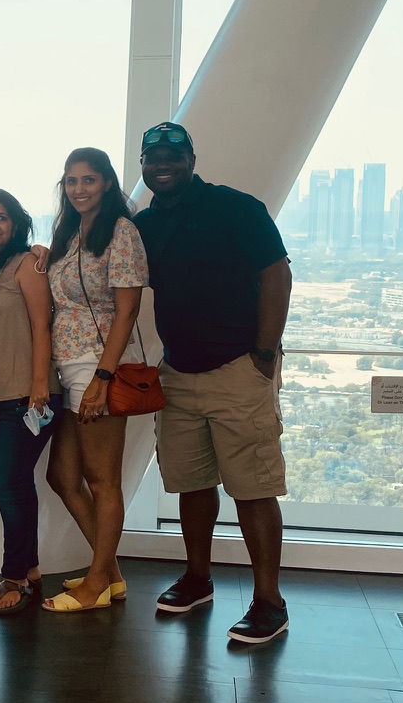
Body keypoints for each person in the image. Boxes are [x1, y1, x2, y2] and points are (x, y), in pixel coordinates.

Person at [133, 122, 292, 644]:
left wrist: (264, 356)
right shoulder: (147, 225)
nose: (163, 163)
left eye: (173, 155)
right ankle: (198, 579)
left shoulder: (236, 207)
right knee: (192, 483)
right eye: (153, 156)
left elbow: (276, 273)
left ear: (191, 159)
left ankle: (269, 601)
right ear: (143, 165)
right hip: (179, 372)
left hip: (238, 369)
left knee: (254, 487)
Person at [41, 147, 148, 614]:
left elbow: (127, 309)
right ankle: (111, 573)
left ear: (107, 182)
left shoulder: (121, 232)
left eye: (89, 179)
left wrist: (103, 377)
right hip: (69, 367)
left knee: (102, 480)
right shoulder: (69, 232)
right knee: (62, 476)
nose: (79, 188)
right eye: (71, 181)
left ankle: (99, 581)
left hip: (99, 364)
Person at [0, 189, 62, 615]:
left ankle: (15, 577)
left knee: (10, 488)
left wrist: (39, 385)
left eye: (1, 217)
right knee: (18, 485)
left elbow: (43, 327)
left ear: (16, 224)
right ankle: (32, 569)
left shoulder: (28, 265)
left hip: (28, 396)